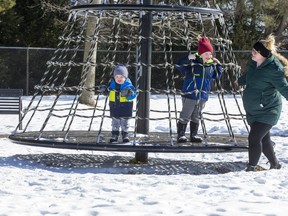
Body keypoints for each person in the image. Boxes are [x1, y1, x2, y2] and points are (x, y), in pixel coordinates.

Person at [235, 34, 288, 171]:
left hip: (268, 110)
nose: (252, 53)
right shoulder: (254, 63)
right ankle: (275, 164)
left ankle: (251, 167)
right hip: (254, 110)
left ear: (263, 54)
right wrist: (240, 81)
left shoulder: (274, 69)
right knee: (264, 140)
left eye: (255, 51)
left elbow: (284, 87)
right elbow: (249, 76)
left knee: (254, 138)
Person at [176, 36, 223, 143]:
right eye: (206, 54)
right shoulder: (193, 63)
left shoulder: (210, 66)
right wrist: (188, 57)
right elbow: (179, 65)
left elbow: (217, 76)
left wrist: (219, 65)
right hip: (190, 94)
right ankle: (181, 134)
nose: (209, 56)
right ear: (200, 53)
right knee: (186, 114)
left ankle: (194, 134)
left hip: (203, 95)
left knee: (196, 115)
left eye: (210, 54)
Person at [107, 64, 136, 143]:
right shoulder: (112, 85)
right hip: (114, 106)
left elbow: (133, 95)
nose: (119, 79)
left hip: (125, 107)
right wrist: (105, 91)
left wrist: (129, 93)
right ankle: (114, 135)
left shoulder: (128, 85)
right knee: (115, 123)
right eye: (117, 77)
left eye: (121, 77)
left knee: (125, 122)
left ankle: (125, 135)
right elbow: (109, 93)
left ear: (125, 77)